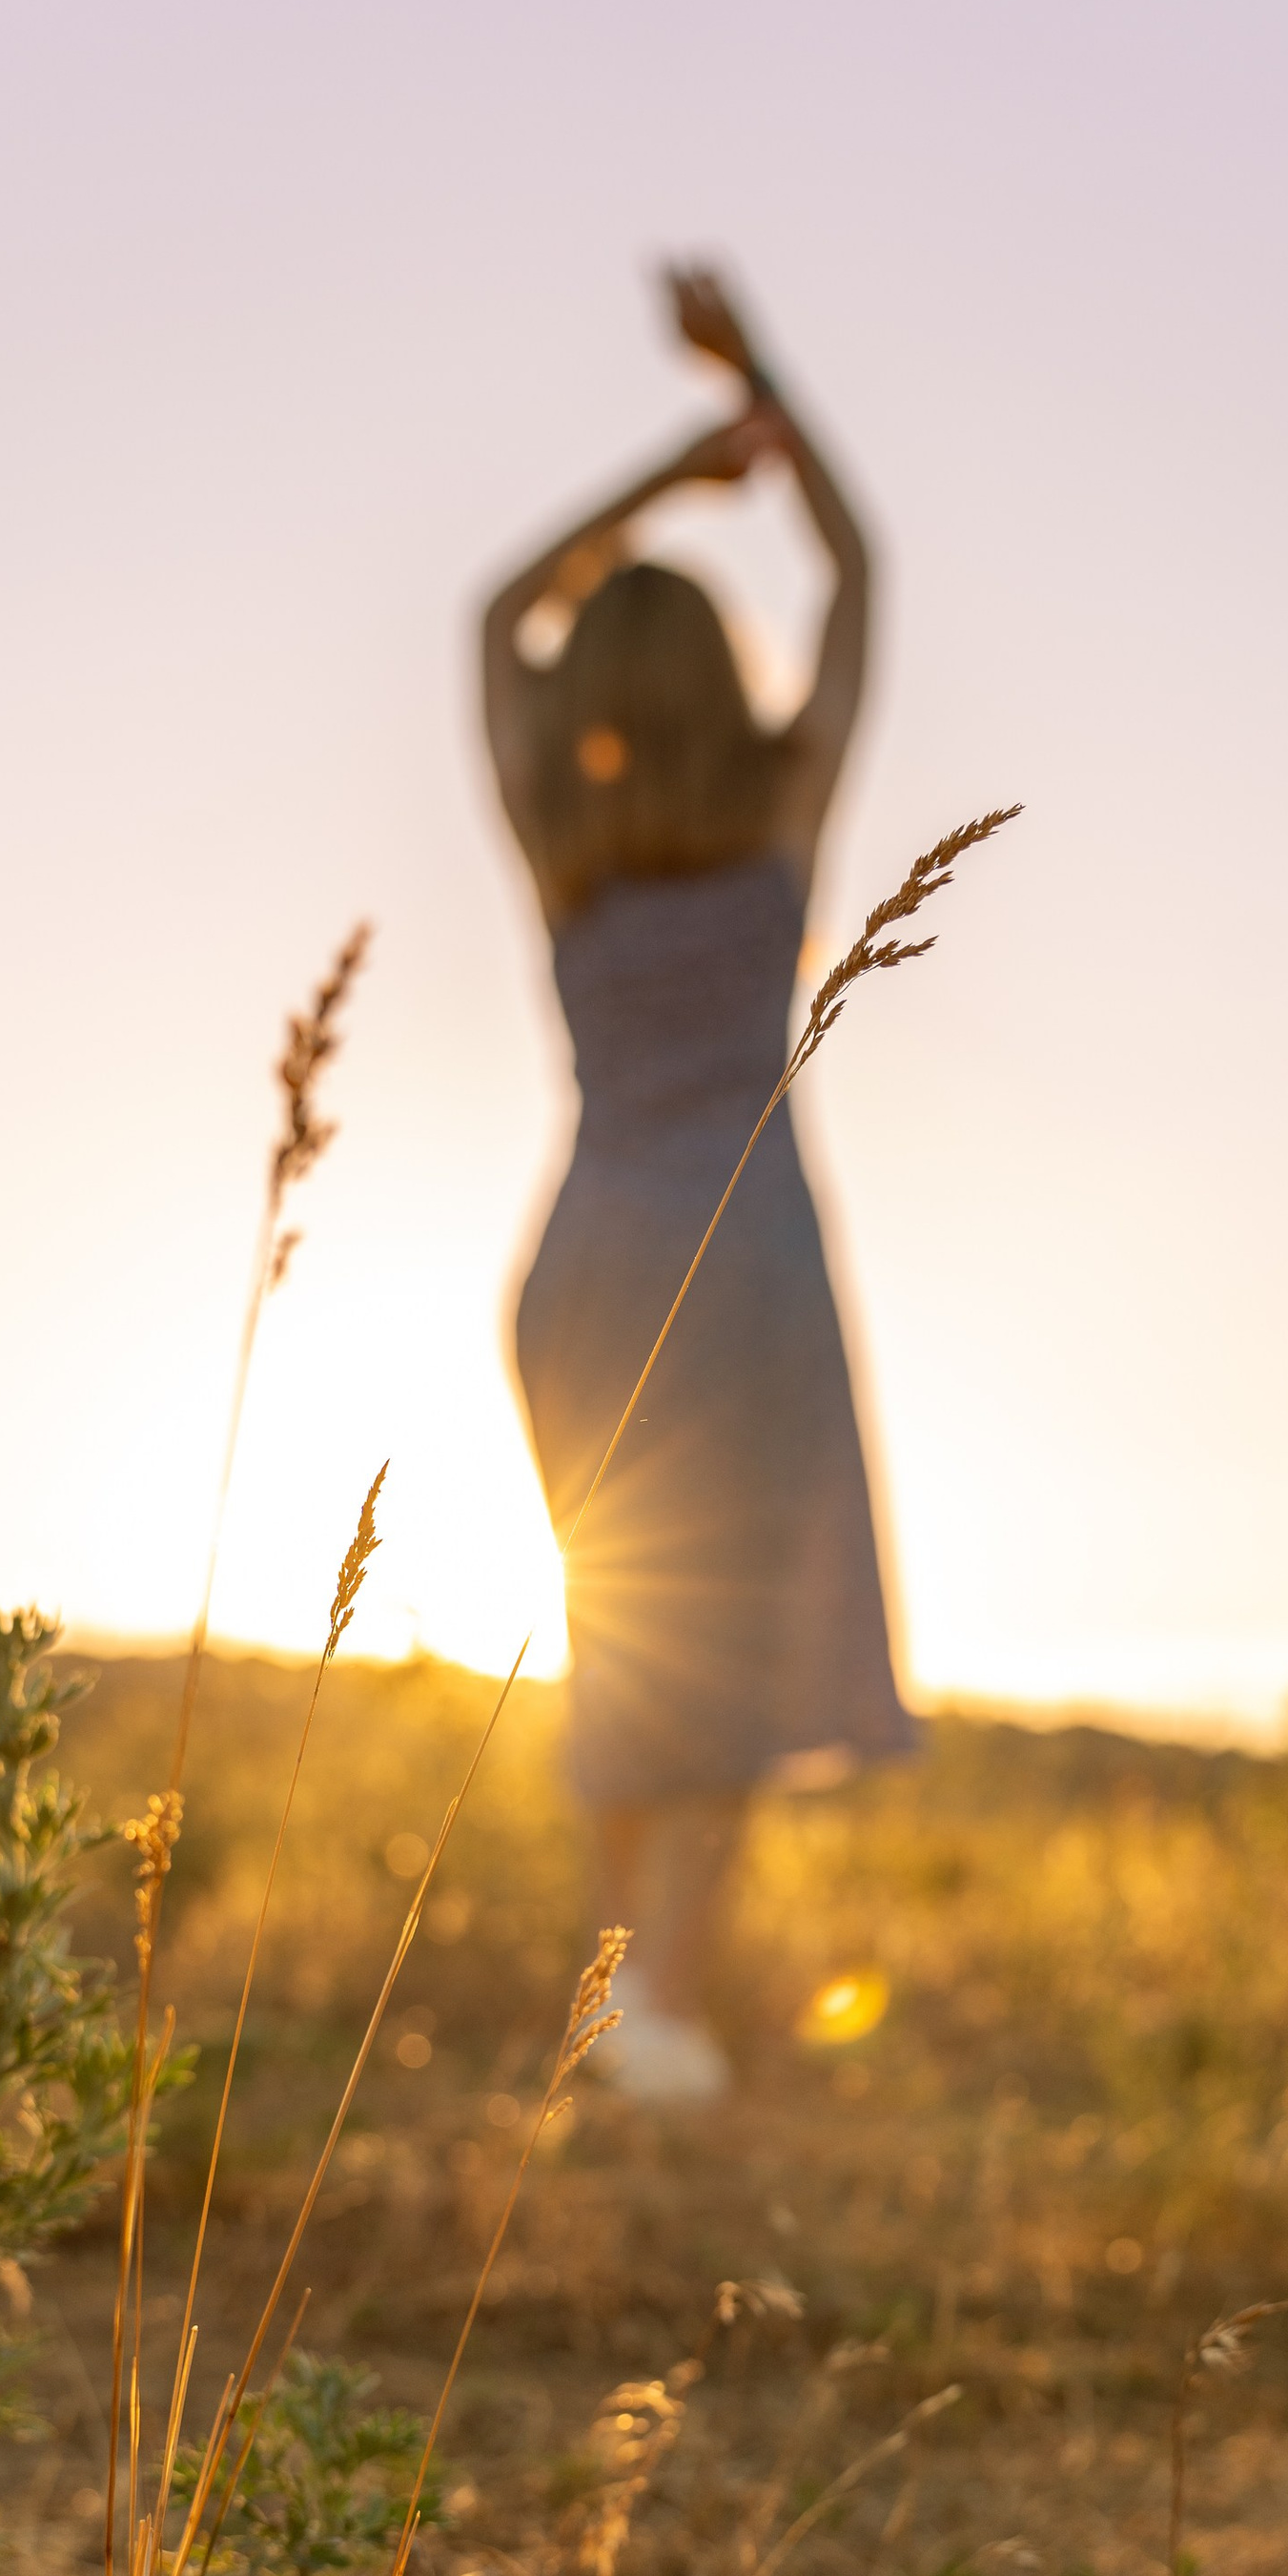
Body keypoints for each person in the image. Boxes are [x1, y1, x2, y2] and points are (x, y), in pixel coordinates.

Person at [484, 267, 916, 2108]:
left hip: (583, 1252)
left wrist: (673, 467)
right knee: (732, 1642)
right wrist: (768, 399)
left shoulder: (561, 839)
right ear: (723, 684)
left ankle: (621, 2005)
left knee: (626, 1621)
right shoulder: (774, 822)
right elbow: (863, 573)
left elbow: (499, 604)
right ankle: (656, 2003)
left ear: (588, 686)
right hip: (740, 1258)